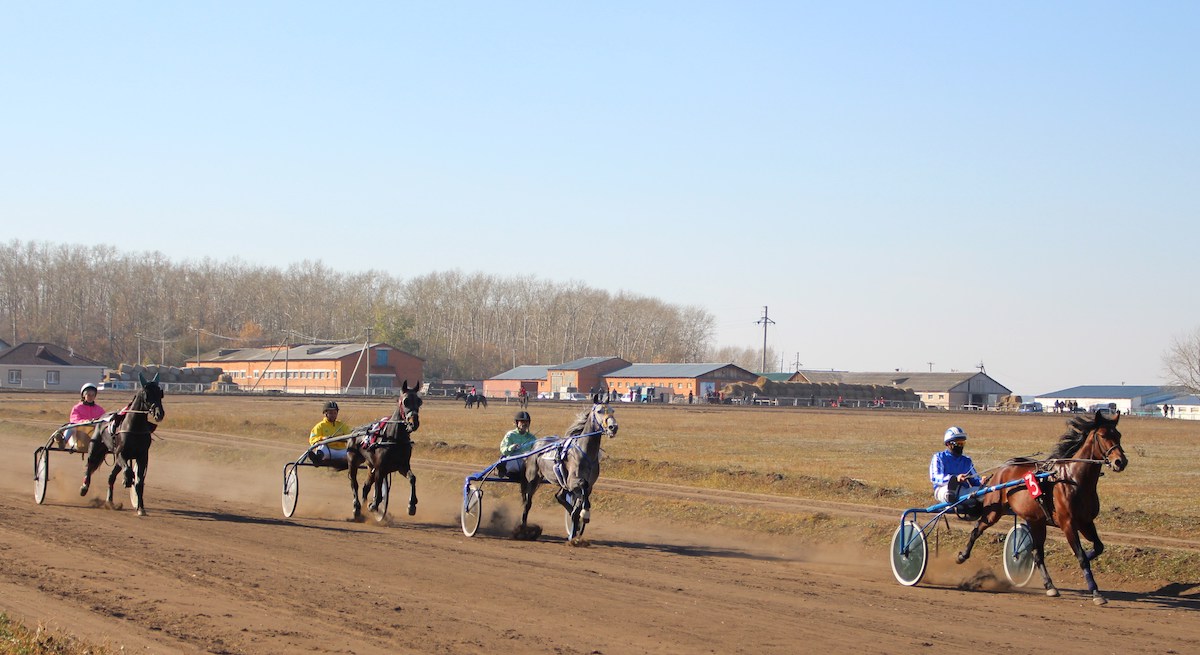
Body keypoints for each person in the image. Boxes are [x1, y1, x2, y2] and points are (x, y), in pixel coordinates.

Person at [930, 426, 982, 506]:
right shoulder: (939, 457)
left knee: (985, 492)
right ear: (948, 444)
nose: (960, 446)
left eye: (962, 443)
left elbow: (975, 480)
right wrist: (954, 479)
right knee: (950, 494)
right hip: (943, 489)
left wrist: (982, 482)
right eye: (958, 443)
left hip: (963, 491)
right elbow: (935, 478)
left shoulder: (967, 460)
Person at [61, 382, 106, 451]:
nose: (91, 397)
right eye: (88, 395)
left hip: (94, 435)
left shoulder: (99, 409)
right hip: (78, 436)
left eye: (93, 395)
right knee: (70, 425)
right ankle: (63, 441)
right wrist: (84, 422)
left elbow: (104, 420)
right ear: (84, 396)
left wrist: (95, 422)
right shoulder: (77, 408)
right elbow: (74, 419)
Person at [308, 400, 352, 466]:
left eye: (335, 413)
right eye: (331, 413)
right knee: (321, 447)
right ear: (325, 414)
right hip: (327, 450)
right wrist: (323, 438)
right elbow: (312, 440)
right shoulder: (320, 426)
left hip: (341, 450)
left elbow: (350, 437)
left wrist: (343, 439)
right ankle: (317, 460)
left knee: (352, 453)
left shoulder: (342, 425)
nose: (333, 415)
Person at [498, 410, 537, 478]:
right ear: (517, 423)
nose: (524, 424)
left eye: (526, 422)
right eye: (522, 421)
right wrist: (511, 447)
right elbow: (503, 450)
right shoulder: (510, 435)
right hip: (512, 460)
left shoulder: (532, 438)